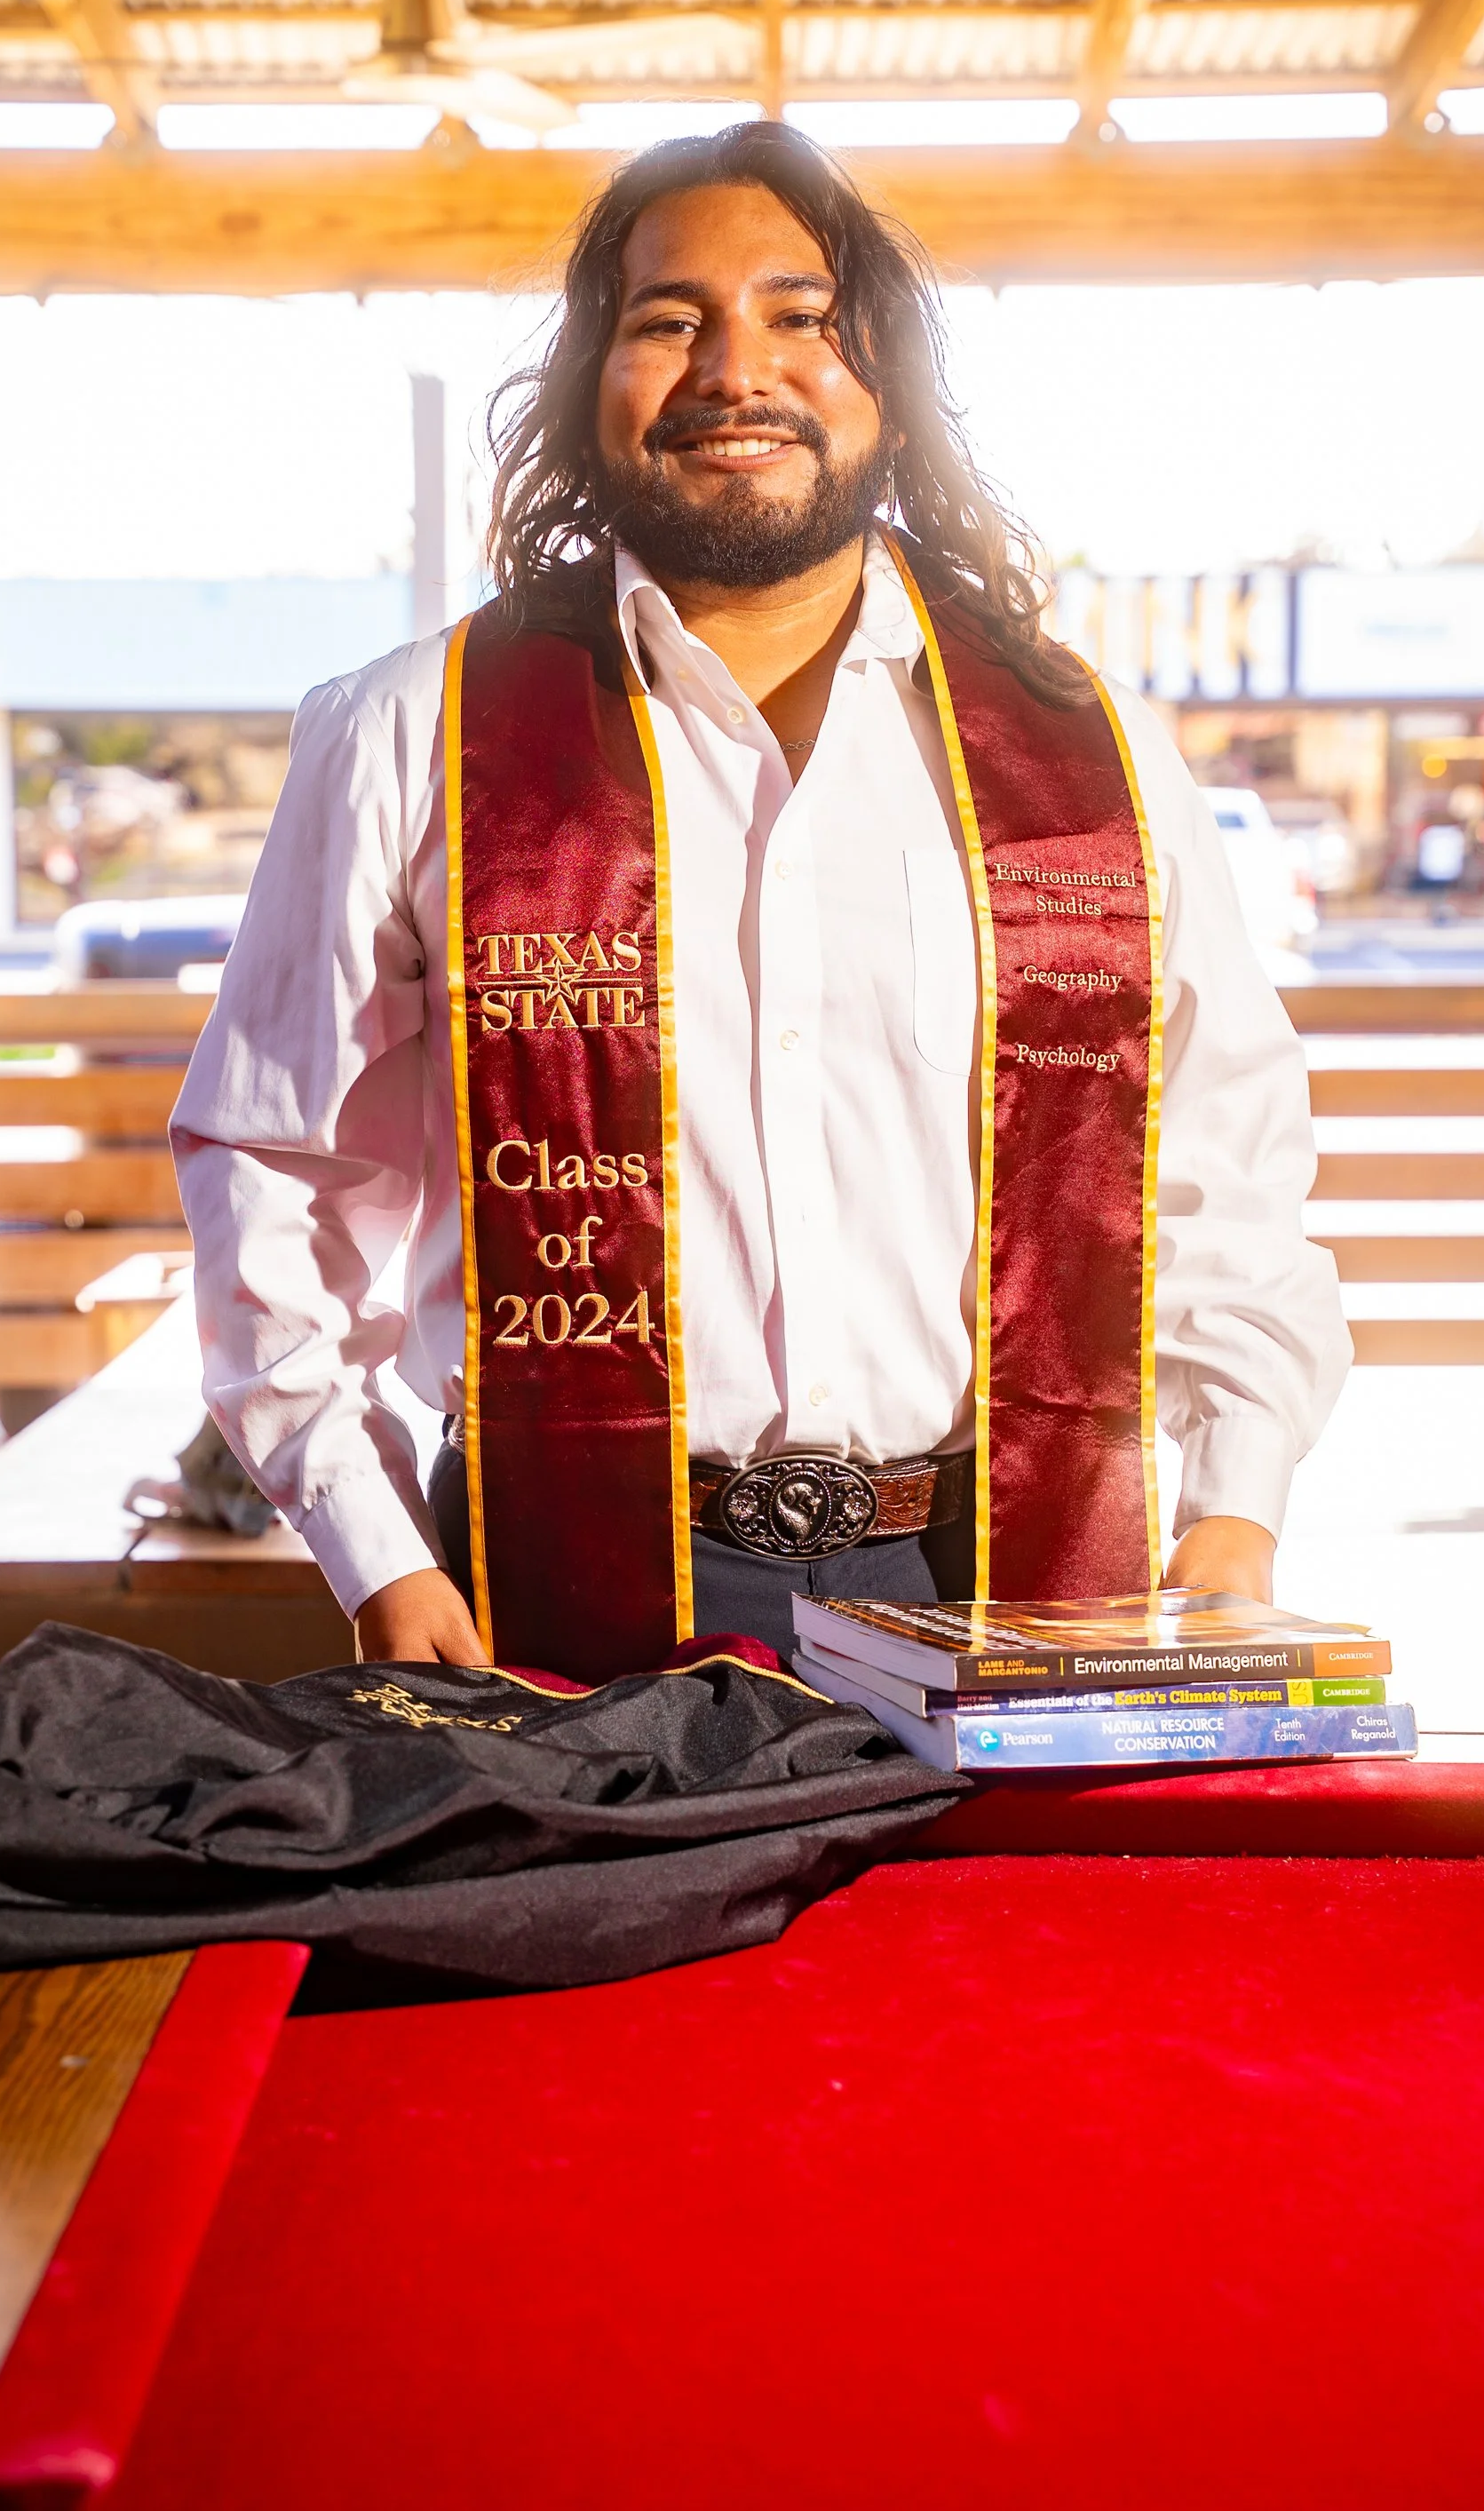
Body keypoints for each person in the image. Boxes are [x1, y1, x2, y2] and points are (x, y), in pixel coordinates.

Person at [171, 123, 1348, 1681]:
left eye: (804, 317)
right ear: (593, 382)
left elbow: (1221, 1147)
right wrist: (371, 1541)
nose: (740, 369)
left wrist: (1238, 1500)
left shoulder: (1095, 753)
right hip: (558, 1580)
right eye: (671, 321)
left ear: (889, 387)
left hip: (1013, 1575)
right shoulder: (416, 732)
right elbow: (273, 1159)